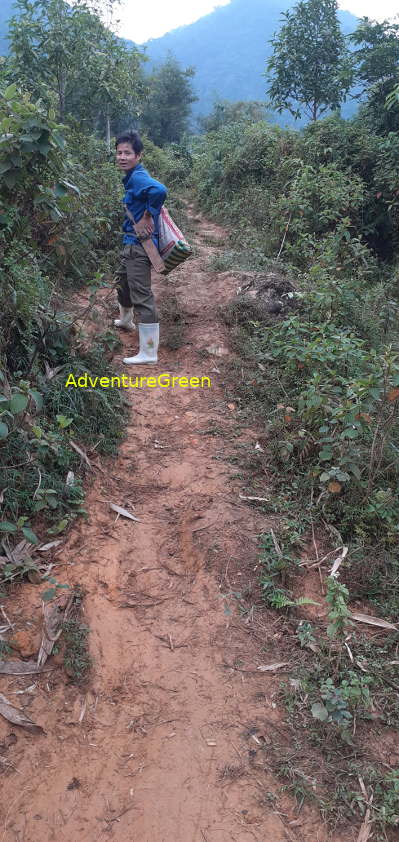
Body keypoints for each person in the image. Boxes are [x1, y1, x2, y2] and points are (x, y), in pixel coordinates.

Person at [114, 130, 167, 364]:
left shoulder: (138, 177)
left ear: (138, 156)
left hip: (138, 246)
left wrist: (147, 215)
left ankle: (148, 352)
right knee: (122, 283)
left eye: (128, 153)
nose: (122, 157)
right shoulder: (131, 176)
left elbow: (160, 190)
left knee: (142, 295)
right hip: (130, 244)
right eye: (119, 152)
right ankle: (125, 320)